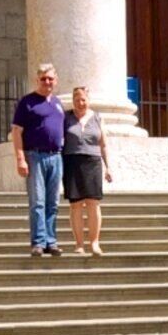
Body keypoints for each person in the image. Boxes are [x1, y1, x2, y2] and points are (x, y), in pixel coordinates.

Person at [10, 63, 68, 256]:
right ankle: (38, 242)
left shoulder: (58, 103)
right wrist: (20, 158)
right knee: (37, 202)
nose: (47, 82)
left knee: (53, 203)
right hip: (34, 156)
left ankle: (51, 241)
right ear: (37, 80)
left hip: (56, 156)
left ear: (56, 80)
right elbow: (17, 131)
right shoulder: (27, 102)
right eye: (43, 79)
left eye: (50, 78)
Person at [62, 83, 109, 255]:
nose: (80, 103)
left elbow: (103, 144)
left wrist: (108, 167)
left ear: (88, 100)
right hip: (72, 161)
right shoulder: (66, 117)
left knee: (93, 203)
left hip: (93, 161)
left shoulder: (98, 117)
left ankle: (95, 242)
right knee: (75, 205)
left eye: (83, 99)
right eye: (76, 100)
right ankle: (79, 244)